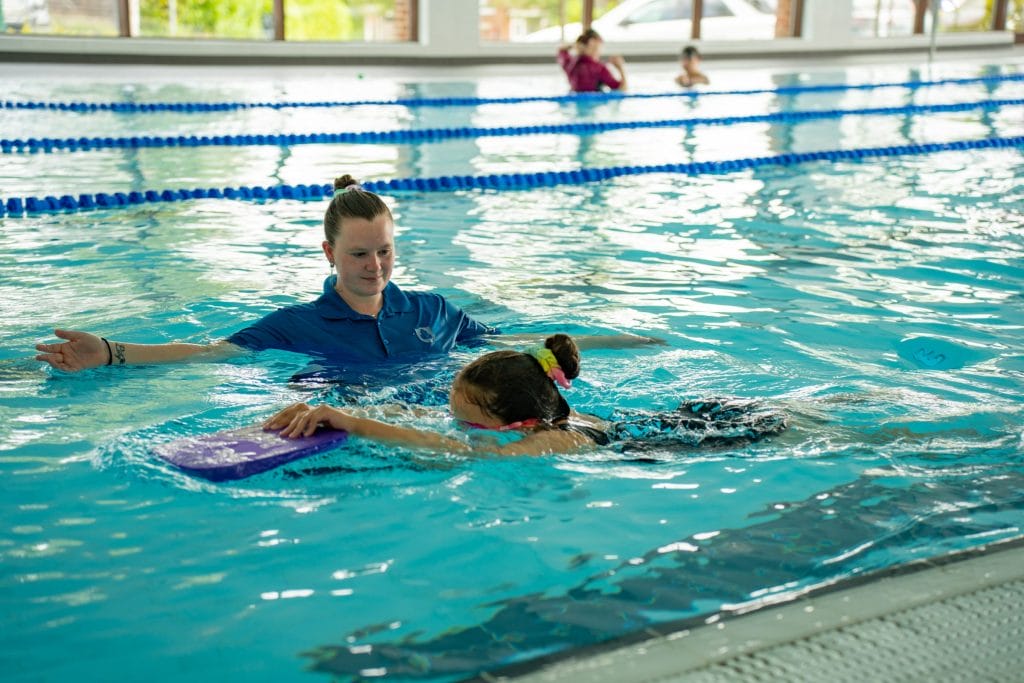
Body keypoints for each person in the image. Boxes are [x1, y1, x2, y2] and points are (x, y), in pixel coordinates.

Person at [35, 175, 658, 373]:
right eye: (360, 254)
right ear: (328, 254)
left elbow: (511, 344)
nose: (376, 266)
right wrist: (112, 353)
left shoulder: (432, 312)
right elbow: (206, 352)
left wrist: (620, 343)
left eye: (384, 250)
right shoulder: (298, 325)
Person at [265, 334, 787, 457]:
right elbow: (423, 416)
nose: (452, 419)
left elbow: (456, 451)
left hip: (715, 434)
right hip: (683, 413)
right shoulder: (533, 411)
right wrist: (333, 410)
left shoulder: (550, 442)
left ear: (518, 426)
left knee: (837, 427)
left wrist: (356, 425)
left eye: (465, 416)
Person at [558, 28, 627, 93]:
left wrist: (576, 45)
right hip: (595, 104)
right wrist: (620, 68)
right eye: (600, 46)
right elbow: (621, 89)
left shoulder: (569, 64)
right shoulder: (599, 68)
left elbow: (561, 50)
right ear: (594, 44)